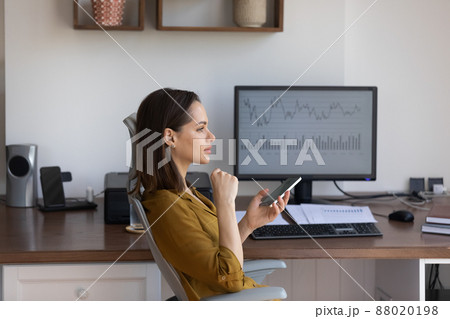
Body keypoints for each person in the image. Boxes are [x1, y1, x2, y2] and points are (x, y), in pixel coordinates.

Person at [134, 88, 289, 301]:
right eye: (200, 129)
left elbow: (218, 255)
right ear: (170, 137)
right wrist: (226, 203)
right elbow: (230, 277)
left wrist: (248, 224)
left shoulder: (186, 193)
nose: (211, 136)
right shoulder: (166, 207)